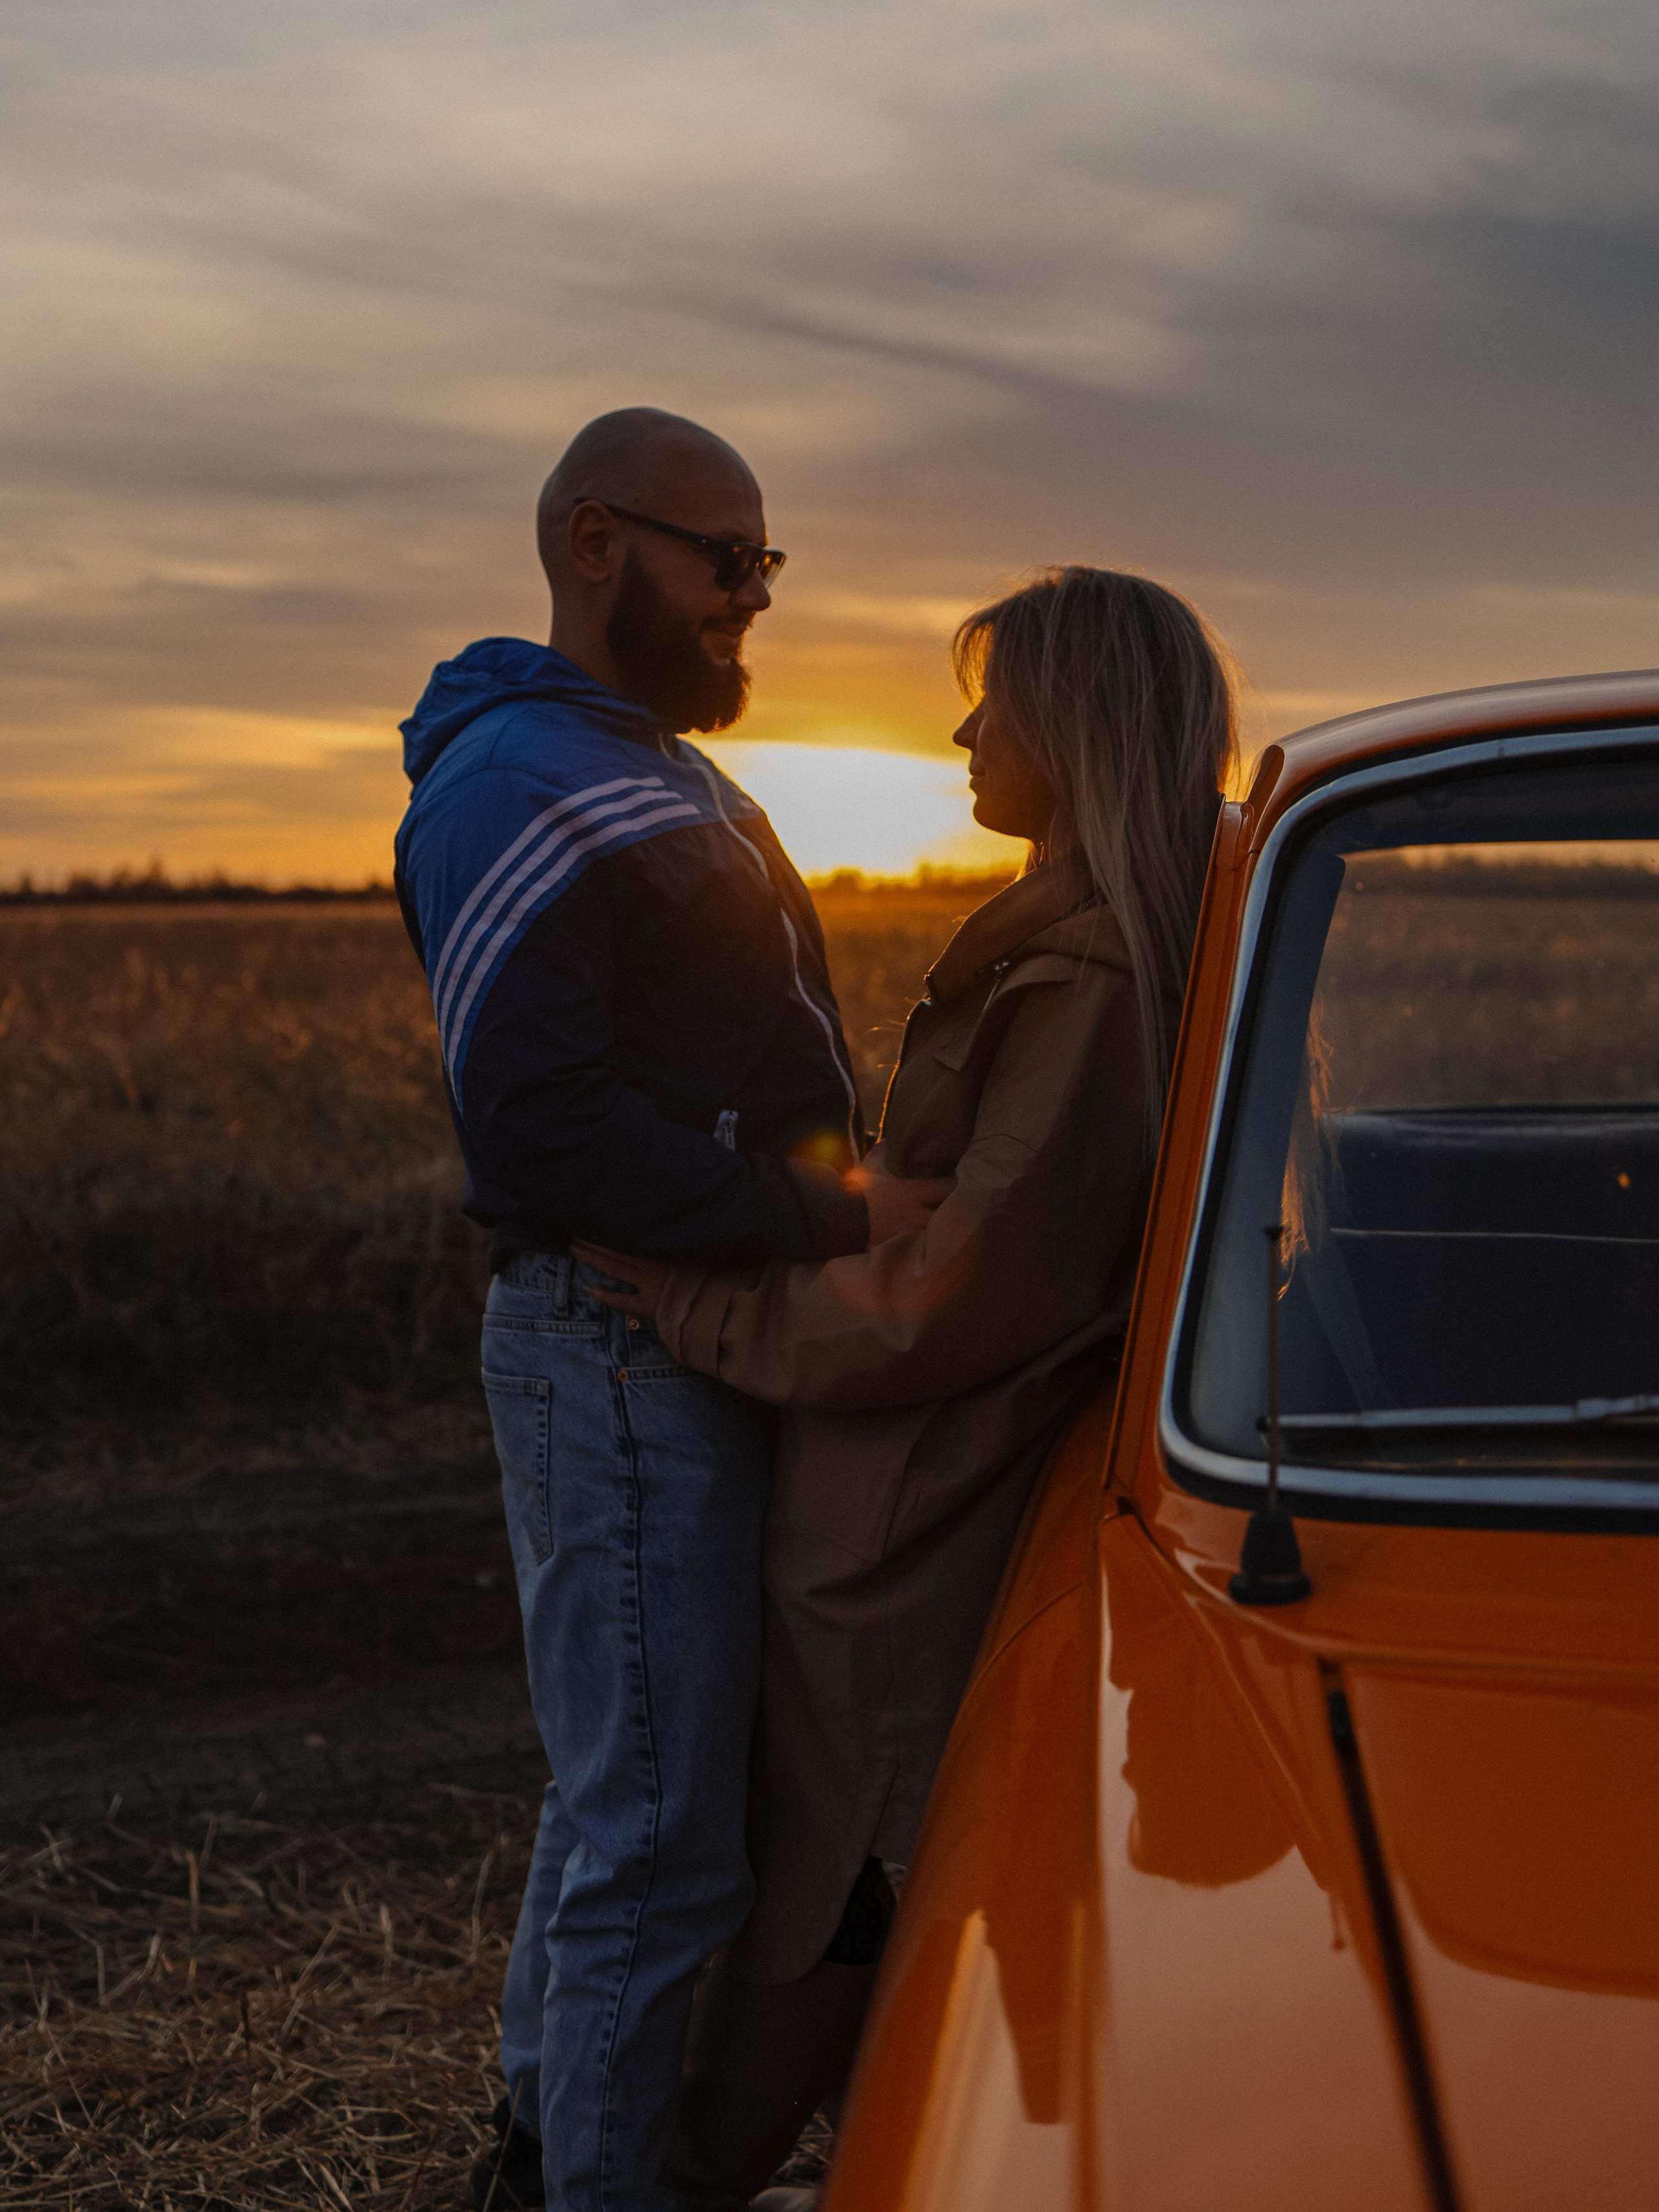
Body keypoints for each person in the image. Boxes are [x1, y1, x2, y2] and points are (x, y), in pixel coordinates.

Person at [580, 564, 1239, 2207]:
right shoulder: (1089, 945)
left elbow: (938, 1307)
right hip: (941, 1490)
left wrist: (687, 1302)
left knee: (845, 1883)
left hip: (921, 1510)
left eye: (994, 698)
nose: (961, 727)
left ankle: (703, 2177)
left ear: (1074, 727)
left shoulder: (1088, 982)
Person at [392, 406, 950, 2212]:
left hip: (679, 1340)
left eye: (765, 567)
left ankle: (552, 2155)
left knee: (624, 1805)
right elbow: (540, 1126)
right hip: (618, 1349)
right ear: (594, 543)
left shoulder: (635, 755)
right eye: (730, 560)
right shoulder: (513, 781)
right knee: (661, 1844)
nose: (752, 600)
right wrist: (834, 1206)